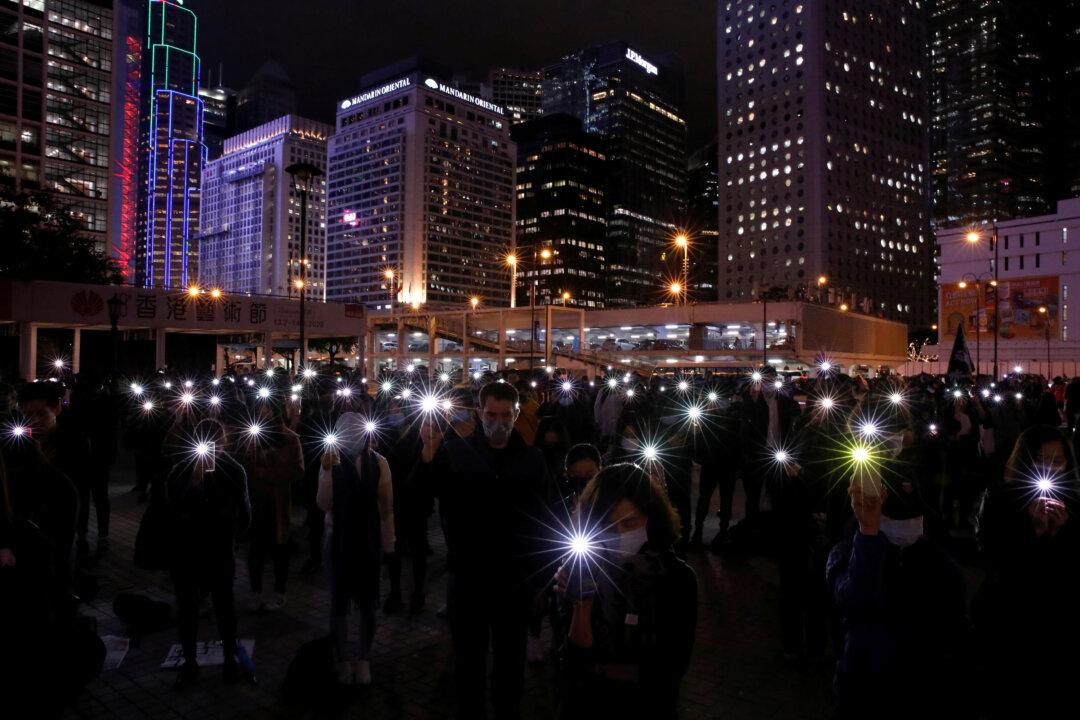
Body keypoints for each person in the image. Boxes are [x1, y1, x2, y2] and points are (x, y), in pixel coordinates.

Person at [414, 381, 551, 719]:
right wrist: (427, 456)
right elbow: (417, 500)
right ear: (479, 412)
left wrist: (541, 579)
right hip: (468, 577)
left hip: (514, 581)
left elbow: (547, 519)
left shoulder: (533, 460)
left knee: (510, 666)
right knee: (468, 665)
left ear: (516, 414)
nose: (498, 421)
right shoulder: (456, 453)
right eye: (491, 414)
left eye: (506, 415)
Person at [826, 459, 968, 719]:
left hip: (920, 691)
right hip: (863, 687)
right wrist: (869, 535)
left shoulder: (938, 562)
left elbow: (955, 627)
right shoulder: (848, 552)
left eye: (912, 517)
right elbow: (855, 600)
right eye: (896, 517)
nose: (905, 525)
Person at [555, 463, 697, 720]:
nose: (619, 535)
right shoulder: (581, 568)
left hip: (647, 706)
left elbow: (672, 665)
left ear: (651, 517)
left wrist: (604, 669)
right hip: (587, 703)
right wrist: (581, 605)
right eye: (608, 526)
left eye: (630, 523)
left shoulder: (676, 578)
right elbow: (573, 658)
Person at [972, 425, 1080, 717]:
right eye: (1041, 460)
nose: (1050, 469)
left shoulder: (1074, 502)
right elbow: (990, 555)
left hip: (1057, 624)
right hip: (1009, 618)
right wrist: (1031, 532)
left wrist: (1058, 533)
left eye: (1057, 461)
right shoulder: (999, 497)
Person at [165, 418, 251, 689]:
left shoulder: (227, 470)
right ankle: (211, 662)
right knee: (212, 606)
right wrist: (196, 480)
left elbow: (243, 510)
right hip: (198, 550)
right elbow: (245, 513)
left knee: (206, 607)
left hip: (205, 548)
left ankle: (201, 663)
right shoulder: (184, 470)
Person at [317, 412, 395, 686]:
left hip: (368, 540)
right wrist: (326, 473)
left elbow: (386, 507)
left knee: (367, 604)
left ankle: (363, 658)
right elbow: (324, 504)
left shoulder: (379, 463)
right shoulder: (331, 461)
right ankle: (342, 661)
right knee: (338, 604)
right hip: (338, 539)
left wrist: (389, 543)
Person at [239, 400, 303, 612]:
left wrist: (271, 470)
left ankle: (280, 590)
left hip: (278, 502)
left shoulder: (290, 439)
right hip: (256, 503)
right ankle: (255, 591)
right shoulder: (250, 436)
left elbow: (297, 470)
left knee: (279, 550)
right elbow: (242, 466)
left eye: (269, 412)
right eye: (261, 412)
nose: (265, 415)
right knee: (256, 549)